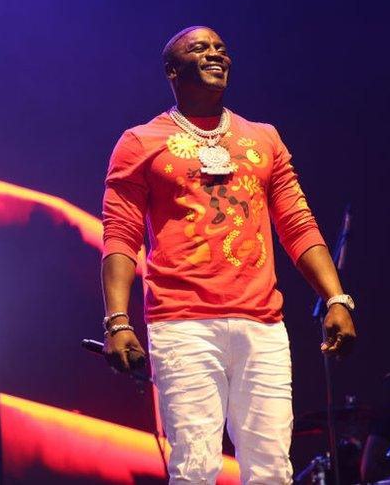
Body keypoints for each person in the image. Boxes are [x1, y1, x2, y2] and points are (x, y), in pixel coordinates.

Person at [100, 26, 357, 484]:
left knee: (272, 469)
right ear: (172, 70)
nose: (215, 54)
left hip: (262, 325)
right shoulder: (140, 142)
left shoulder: (264, 138)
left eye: (220, 48)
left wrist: (336, 298)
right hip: (183, 324)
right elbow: (121, 235)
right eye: (198, 49)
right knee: (196, 467)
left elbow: (297, 223)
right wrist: (118, 321)